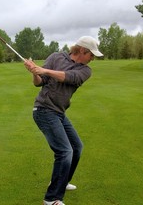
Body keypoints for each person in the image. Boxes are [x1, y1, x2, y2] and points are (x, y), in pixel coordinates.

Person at [24, 36, 103, 205]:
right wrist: (34, 73)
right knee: (65, 151)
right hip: (44, 110)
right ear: (83, 51)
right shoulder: (56, 57)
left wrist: (44, 70)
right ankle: (52, 199)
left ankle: (62, 181)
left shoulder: (85, 71)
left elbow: (69, 77)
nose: (93, 59)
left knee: (77, 147)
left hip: (59, 112)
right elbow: (39, 82)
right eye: (92, 55)